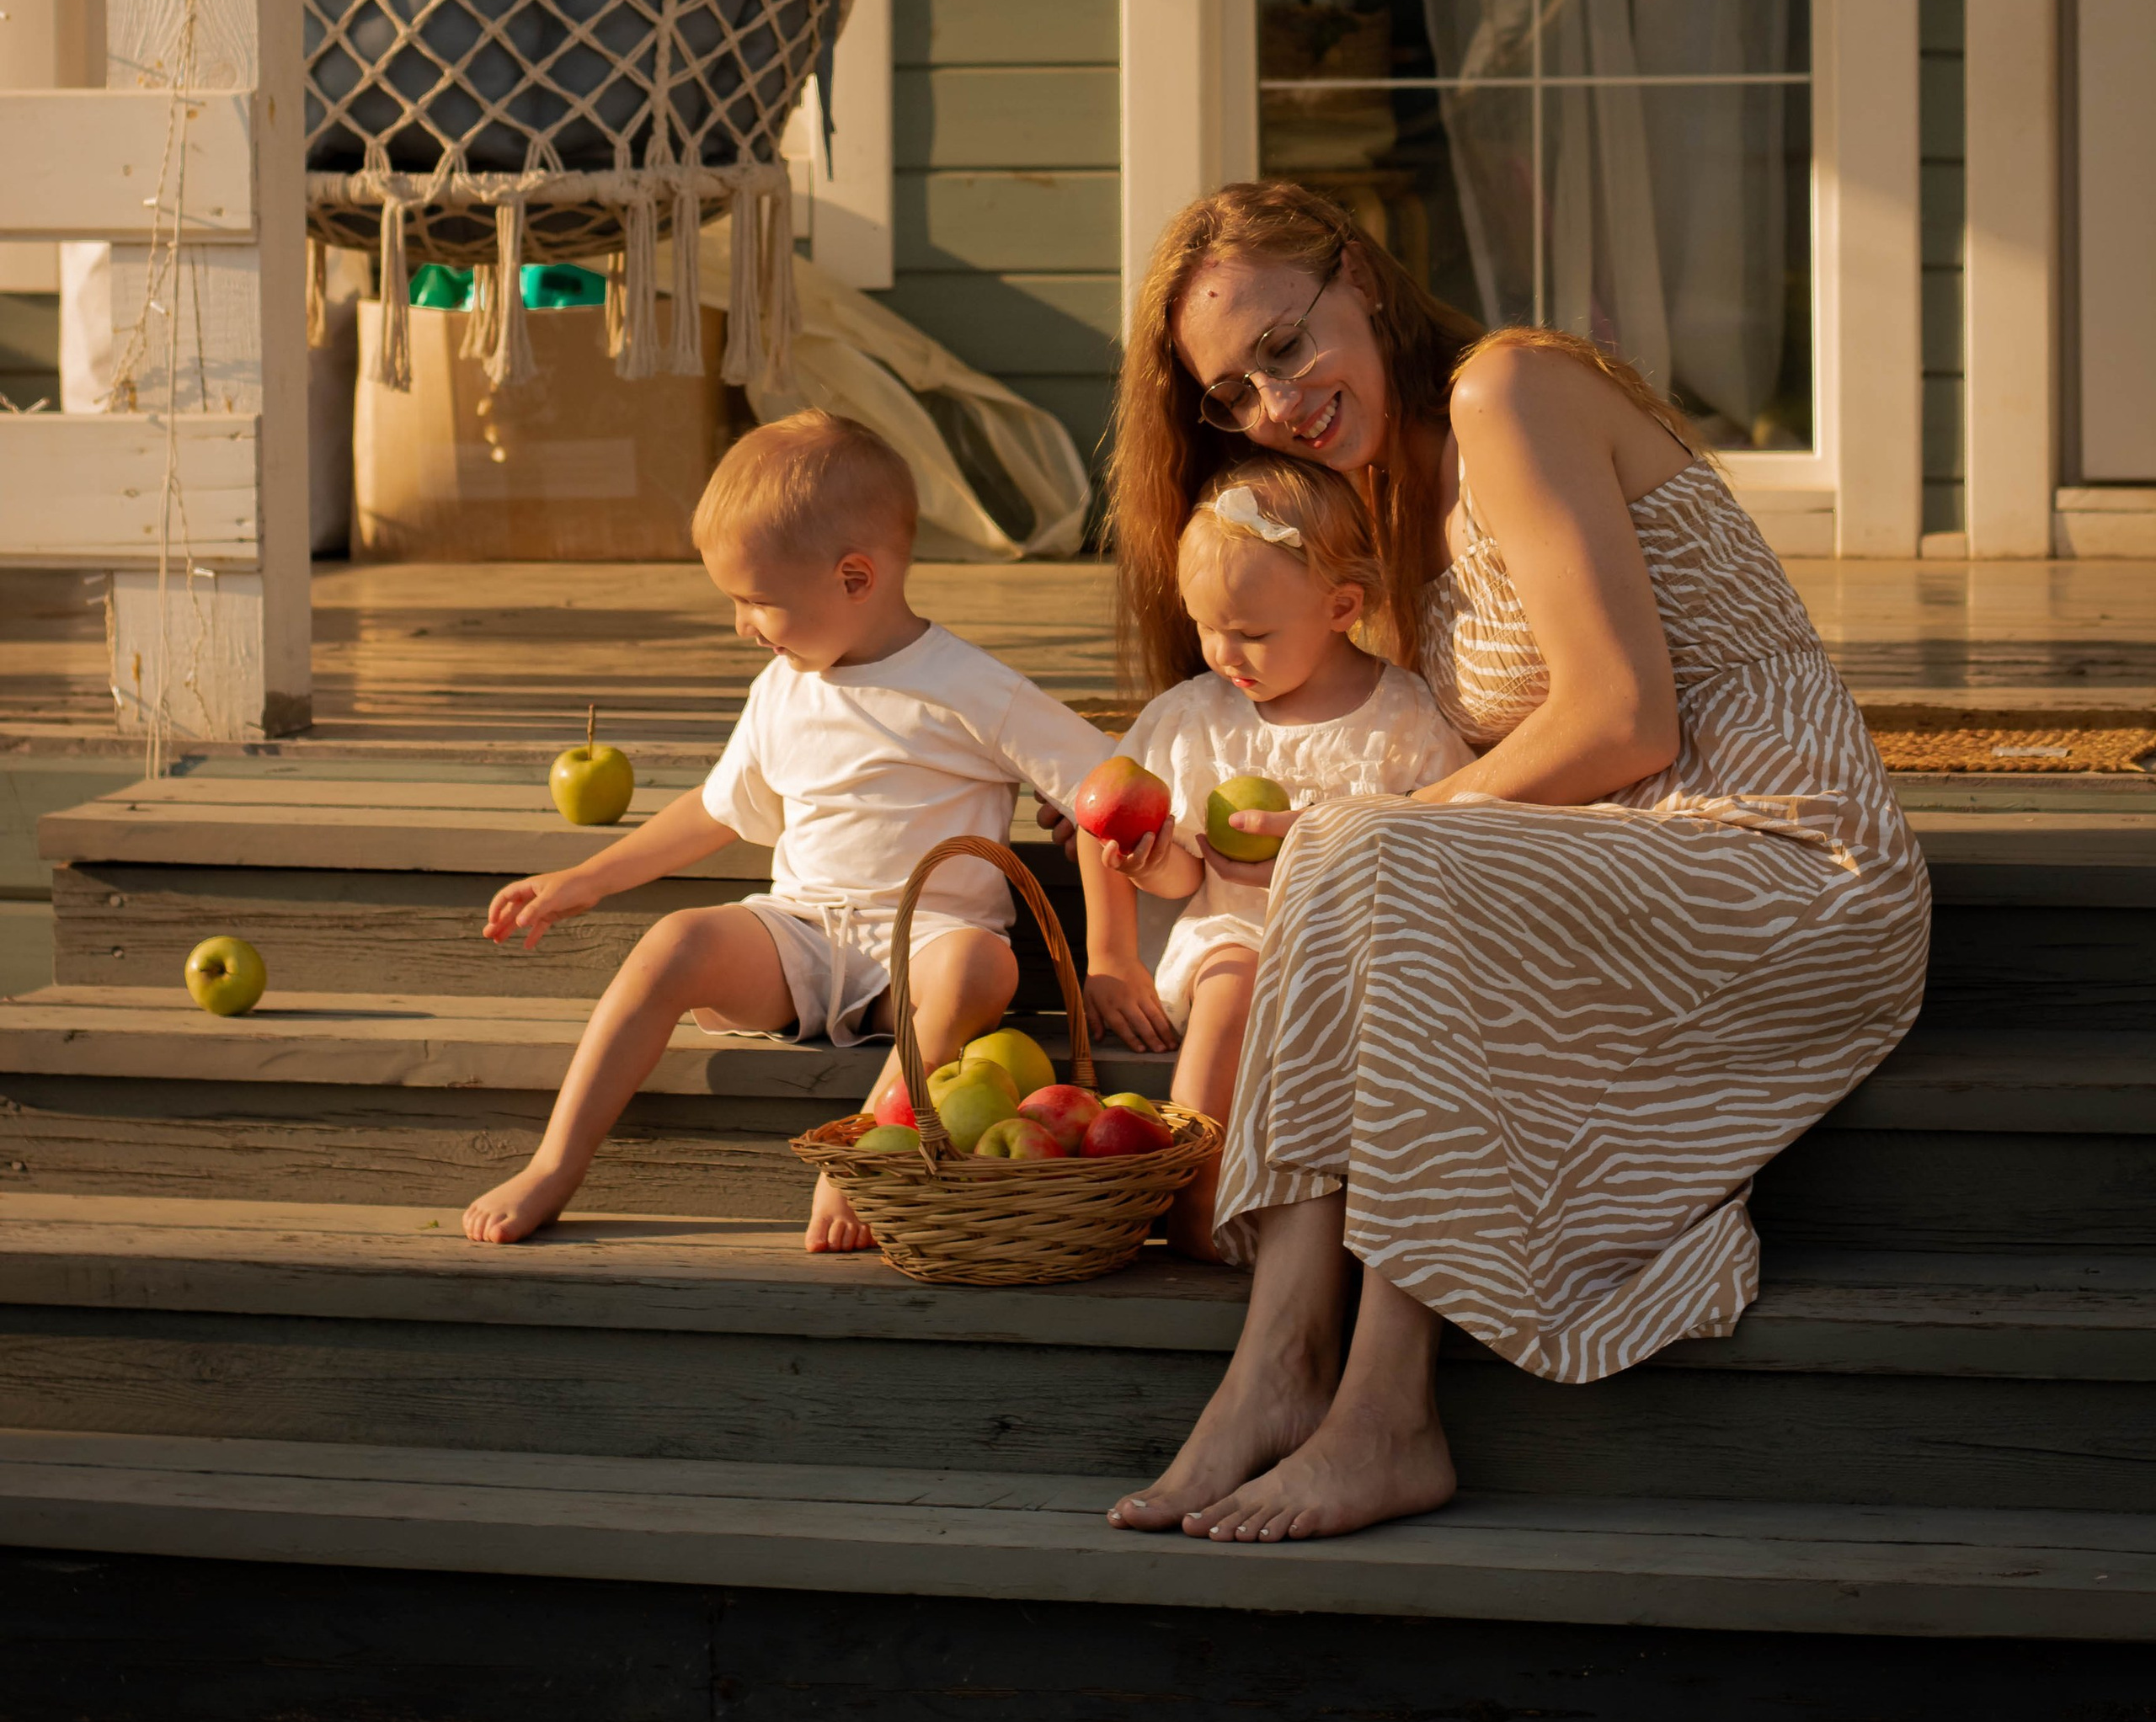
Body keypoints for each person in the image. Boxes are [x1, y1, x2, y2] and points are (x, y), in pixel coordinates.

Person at [1102, 179, 1931, 1544]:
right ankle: (1282, 1366)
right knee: (1355, 850)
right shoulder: (1377, 497)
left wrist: (1373, 844)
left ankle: (1378, 1411)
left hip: (1791, 863)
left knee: (1371, 848)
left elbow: (1623, 715)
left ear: (1361, 280)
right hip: (1635, 871)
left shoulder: (1510, 397)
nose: (1275, 403)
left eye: (1286, 346)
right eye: (1232, 393)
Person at [462, 408, 1107, 1256]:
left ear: (853, 578)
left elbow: (1104, 786)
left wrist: (1108, 935)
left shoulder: (969, 688)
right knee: (672, 942)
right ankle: (555, 1162)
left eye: (757, 601)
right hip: (801, 939)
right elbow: (718, 807)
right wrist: (586, 878)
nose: (742, 625)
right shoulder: (782, 687)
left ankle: (865, 1153)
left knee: (981, 964)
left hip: (922, 951)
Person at [1079, 451, 1469, 1259]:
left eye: (1252, 633)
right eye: (1205, 626)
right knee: (1233, 987)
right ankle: (1199, 1181)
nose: (1225, 652)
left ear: (1341, 606)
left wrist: (1338, 842)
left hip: (1361, 946)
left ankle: (1355, 1214)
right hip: (1237, 933)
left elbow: (1451, 837)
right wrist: (1117, 945)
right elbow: (1143, 841)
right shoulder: (1196, 719)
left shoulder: (1405, 719)